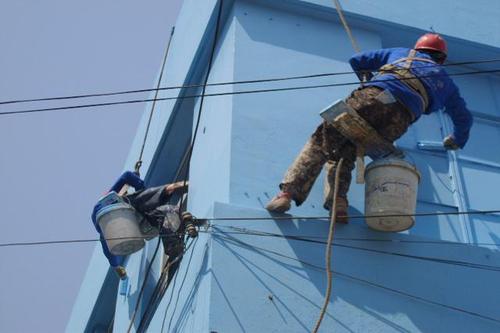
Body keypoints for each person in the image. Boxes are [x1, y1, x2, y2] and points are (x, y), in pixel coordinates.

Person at [266, 33, 473, 223]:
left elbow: (357, 60)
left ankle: (287, 194)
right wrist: (456, 140)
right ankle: (339, 204)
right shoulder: (447, 84)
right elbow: (464, 118)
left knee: (323, 139)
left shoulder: (402, 53)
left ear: (418, 48)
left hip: (373, 97)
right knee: (350, 149)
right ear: (441, 59)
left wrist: (367, 78)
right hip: (399, 121)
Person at [91, 171, 188, 277]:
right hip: (133, 211)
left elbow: (109, 252)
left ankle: (172, 246)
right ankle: (170, 189)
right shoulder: (109, 202)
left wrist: (116, 266)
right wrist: (139, 187)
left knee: (153, 214)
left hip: (132, 218)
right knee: (158, 210)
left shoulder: (106, 231)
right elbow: (127, 176)